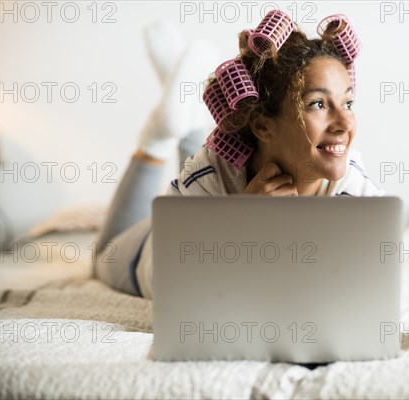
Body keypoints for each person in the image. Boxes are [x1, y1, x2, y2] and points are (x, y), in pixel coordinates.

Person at [94, 12, 384, 299]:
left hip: (196, 215)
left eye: (348, 102)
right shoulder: (207, 174)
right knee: (103, 255)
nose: (345, 124)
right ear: (261, 124)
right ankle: (159, 137)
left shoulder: (356, 189)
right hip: (146, 254)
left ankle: (186, 111)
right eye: (318, 104)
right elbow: (174, 289)